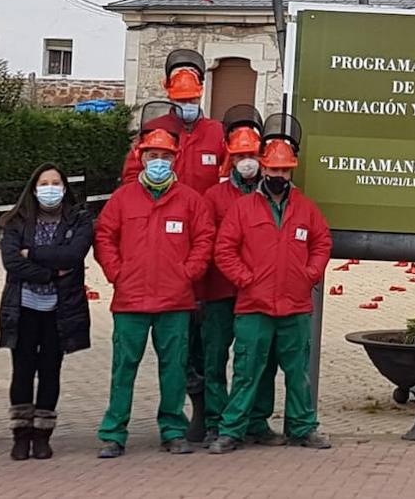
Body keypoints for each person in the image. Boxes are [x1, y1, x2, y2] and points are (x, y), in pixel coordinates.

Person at [94, 104, 215, 458]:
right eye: (152, 155)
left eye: (165, 155)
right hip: (130, 301)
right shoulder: (121, 199)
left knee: (174, 370)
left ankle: (173, 430)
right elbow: (104, 238)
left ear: (175, 159)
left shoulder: (191, 201)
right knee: (123, 370)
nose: (158, 161)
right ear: (141, 157)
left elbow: (204, 240)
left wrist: (188, 274)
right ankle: (114, 433)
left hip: (175, 301)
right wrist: (117, 273)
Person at [210, 114, 333, 453]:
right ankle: (233, 430)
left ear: (291, 171)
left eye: (285, 171)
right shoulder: (243, 209)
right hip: (254, 306)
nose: (279, 176)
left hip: (295, 307)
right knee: (248, 371)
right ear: (264, 168)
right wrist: (245, 280)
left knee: (298, 375)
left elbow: (322, 244)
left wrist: (310, 274)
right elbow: (224, 249)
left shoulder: (307, 209)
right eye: (274, 170)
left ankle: (303, 428)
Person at [0, 162, 93, 460]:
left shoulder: (79, 219)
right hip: (23, 307)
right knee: (22, 370)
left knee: (50, 370)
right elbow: (12, 262)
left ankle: (42, 434)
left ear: (64, 188)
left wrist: (34, 254)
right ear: (34, 187)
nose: (49, 188)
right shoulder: (17, 221)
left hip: (61, 309)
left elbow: (74, 255)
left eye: (55, 183)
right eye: (44, 183)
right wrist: (51, 273)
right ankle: (20, 434)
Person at [197, 106, 281, 446]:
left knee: (263, 360)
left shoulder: (274, 195)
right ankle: (217, 421)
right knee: (214, 358)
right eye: (241, 155)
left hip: (259, 293)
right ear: (230, 157)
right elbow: (207, 240)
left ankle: (257, 421)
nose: (247, 161)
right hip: (219, 290)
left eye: (252, 154)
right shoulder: (213, 196)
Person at [121, 49, 226, 195]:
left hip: (204, 212)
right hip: (163, 209)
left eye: (191, 99)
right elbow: (132, 175)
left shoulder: (217, 131)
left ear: (200, 95)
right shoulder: (154, 129)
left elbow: (229, 176)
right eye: (181, 100)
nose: (187, 104)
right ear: (171, 98)